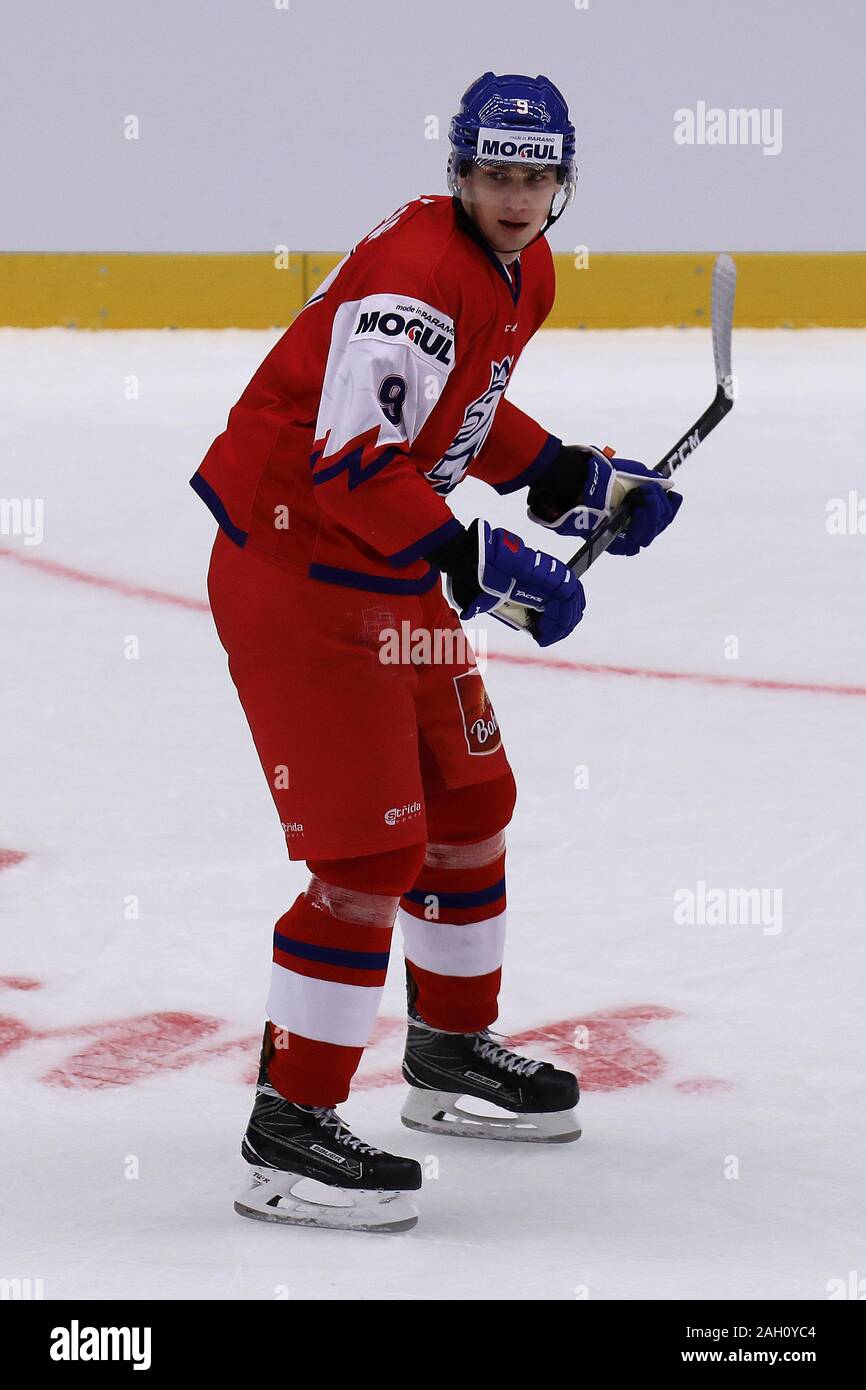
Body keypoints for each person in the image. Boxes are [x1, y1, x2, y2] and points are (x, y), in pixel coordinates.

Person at [190, 71, 682, 1233]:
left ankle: (448, 1053)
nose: (515, 197)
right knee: (367, 857)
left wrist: (569, 478)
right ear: (456, 170)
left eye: (535, 176)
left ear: (561, 182)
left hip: (380, 566)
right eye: (494, 174)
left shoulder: (522, 268)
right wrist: (486, 565)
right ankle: (287, 1131)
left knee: (468, 798)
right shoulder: (413, 279)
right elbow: (354, 459)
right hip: (298, 573)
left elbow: (456, 409)